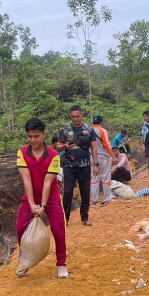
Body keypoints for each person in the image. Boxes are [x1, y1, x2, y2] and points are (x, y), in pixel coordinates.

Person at [16, 118, 67, 279]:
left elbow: (47, 182)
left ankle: (61, 264)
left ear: (44, 135)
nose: (33, 140)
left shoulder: (53, 155)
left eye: (36, 136)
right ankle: (25, 261)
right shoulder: (22, 153)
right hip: (30, 197)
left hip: (50, 198)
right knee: (20, 228)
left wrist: (43, 205)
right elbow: (27, 180)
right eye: (30, 136)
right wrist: (32, 204)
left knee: (58, 230)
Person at [56, 105, 100, 226]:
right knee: (68, 192)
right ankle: (66, 218)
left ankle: (84, 218)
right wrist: (65, 146)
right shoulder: (65, 130)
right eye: (73, 117)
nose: (75, 119)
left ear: (82, 115)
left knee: (85, 191)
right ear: (70, 116)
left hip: (85, 165)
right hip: (69, 166)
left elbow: (94, 148)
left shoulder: (89, 130)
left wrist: (96, 164)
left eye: (77, 116)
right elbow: (58, 147)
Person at [91, 115, 114, 207]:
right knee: (105, 177)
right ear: (101, 122)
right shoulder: (102, 131)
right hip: (102, 157)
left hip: (91, 157)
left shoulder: (89, 130)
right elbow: (107, 144)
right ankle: (107, 198)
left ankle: (94, 199)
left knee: (94, 178)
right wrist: (113, 156)